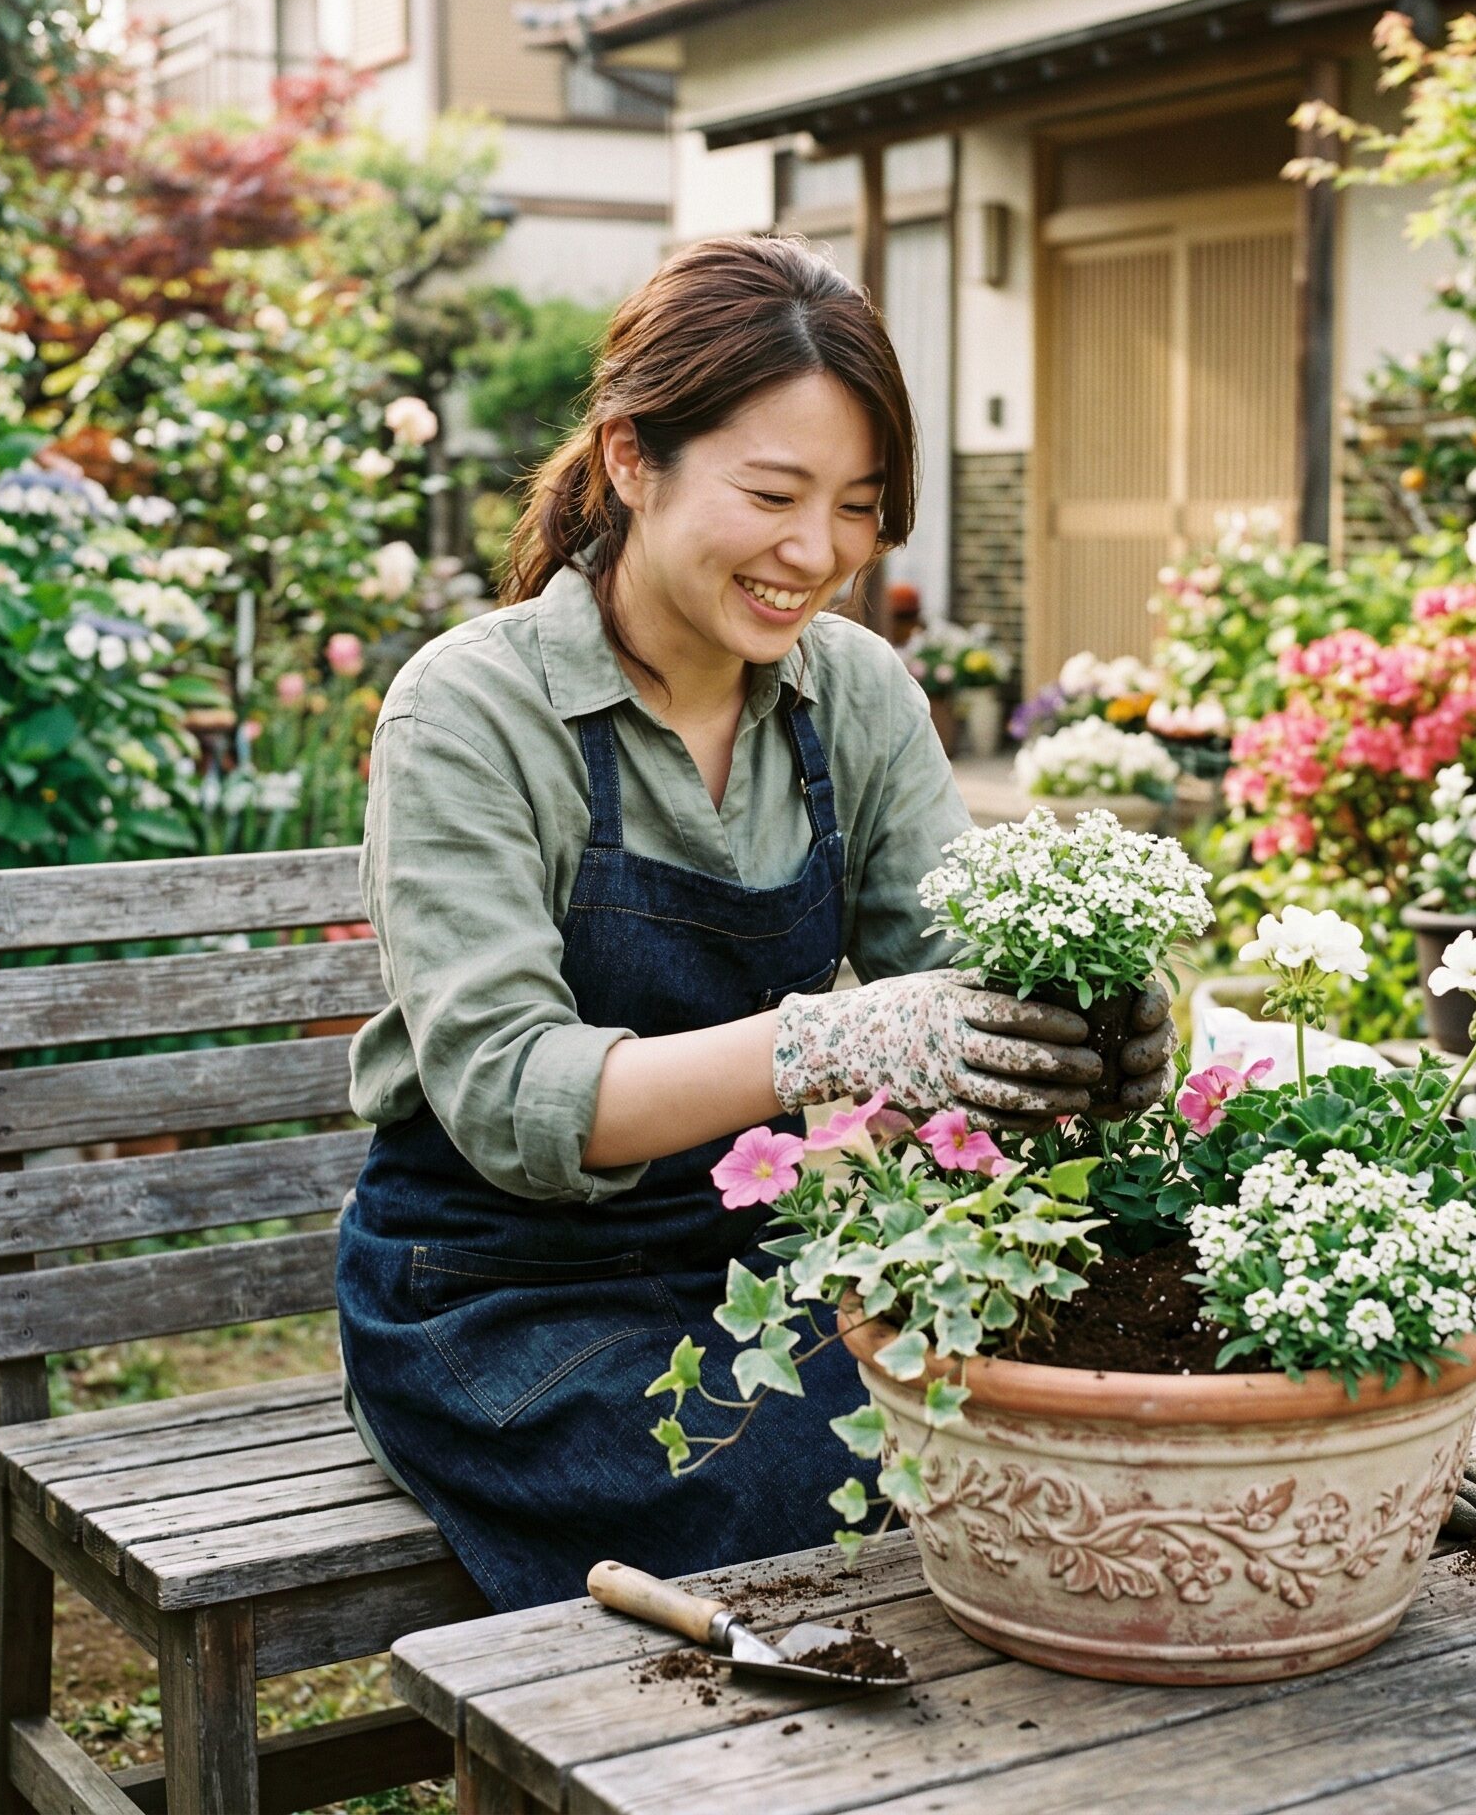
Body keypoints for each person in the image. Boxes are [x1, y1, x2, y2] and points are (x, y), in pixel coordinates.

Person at [335, 235, 1174, 1612]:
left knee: (1059, 1410)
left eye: (856, 505)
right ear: (629, 459)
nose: (818, 554)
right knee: (831, 1487)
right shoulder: (472, 710)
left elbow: (954, 972)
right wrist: (830, 1044)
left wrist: (1085, 1029)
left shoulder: (854, 698)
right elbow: (507, 1092)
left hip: (761, 1267)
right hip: (494, 1293)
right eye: (774, 493)